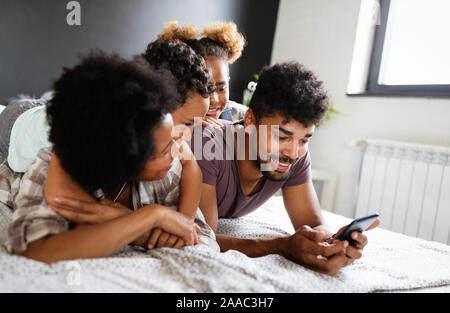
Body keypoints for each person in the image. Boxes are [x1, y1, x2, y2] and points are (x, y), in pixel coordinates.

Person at [0, 51, 214, 263]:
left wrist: (162, 223)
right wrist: (149, 217)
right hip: (19, 123)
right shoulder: (55, 165)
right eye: (166, 149)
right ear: (125, 154)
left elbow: (201, 236)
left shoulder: (170, 172)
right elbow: (34, 250)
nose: (177, 152)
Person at [190, 61, 380, 276]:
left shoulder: (295, 154)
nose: (293, 152)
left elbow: (313, 223)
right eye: (281, 137)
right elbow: (204, 237)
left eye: (304, 139)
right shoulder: (207, 145)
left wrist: (331, 244)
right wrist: (281, 246)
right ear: (250, 121)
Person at [158, 20, 249, 124]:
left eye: (221, 89)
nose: (213, 99)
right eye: (204, 90)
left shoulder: (244, 118)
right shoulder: (169, 119)